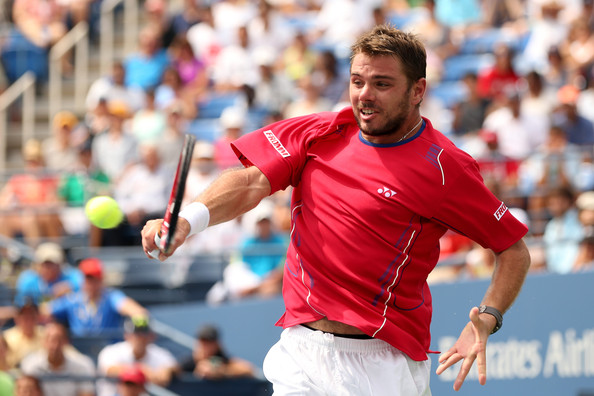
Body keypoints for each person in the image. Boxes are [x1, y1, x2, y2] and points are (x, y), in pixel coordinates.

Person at [142, 24, 531, 394]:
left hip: (384, 363)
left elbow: (512, 250)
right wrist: (186, 222)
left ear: (418, 91)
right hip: (302, 351)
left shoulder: (446, 167)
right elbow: (249, 182)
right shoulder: (317, 133)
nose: (365, 94)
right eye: (358, 81)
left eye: (382, 84)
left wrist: (485, 319)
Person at [46, 258, 148, 337]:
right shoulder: (73, 299)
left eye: (94, 279)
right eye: (87, 279)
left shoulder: (111, 297)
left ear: (101, 280)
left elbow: (134, 310)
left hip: (109, 350)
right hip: (80, 351)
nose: (90, 284)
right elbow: (46, 311)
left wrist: (138, 315)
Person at [97, 317, 178, 396]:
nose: (140, 339)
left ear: (151, 336)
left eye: (144, 335)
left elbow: (175, 367)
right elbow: (109, 370)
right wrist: (143, 371)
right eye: (136, 335)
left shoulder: (158, 353)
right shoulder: (111, 351)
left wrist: (168, 370)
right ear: (127, 335)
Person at [20, 320, 96, 396]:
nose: (55, 346)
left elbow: (87, 393)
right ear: (44, 342)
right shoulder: (31, 364)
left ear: (66, 342)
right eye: (51, 340)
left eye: (59, 340)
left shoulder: (83, 365)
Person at [179, 324, 255, 380]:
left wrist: (221, 371)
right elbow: (175, 369)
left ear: (216, 344)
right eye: (202, 342)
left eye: (208, 342)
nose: (205, 346)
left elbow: (248, 369)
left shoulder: (221, 358)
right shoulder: (190, 360)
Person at [16, 242, 83, 305]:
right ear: (37, 265)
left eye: (51, 264)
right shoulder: (28, 280)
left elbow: (82, 282)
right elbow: (20, 304)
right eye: (44, 265)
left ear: (59, 265)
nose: (47, 269)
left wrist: (70, 287)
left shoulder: (71, 277)